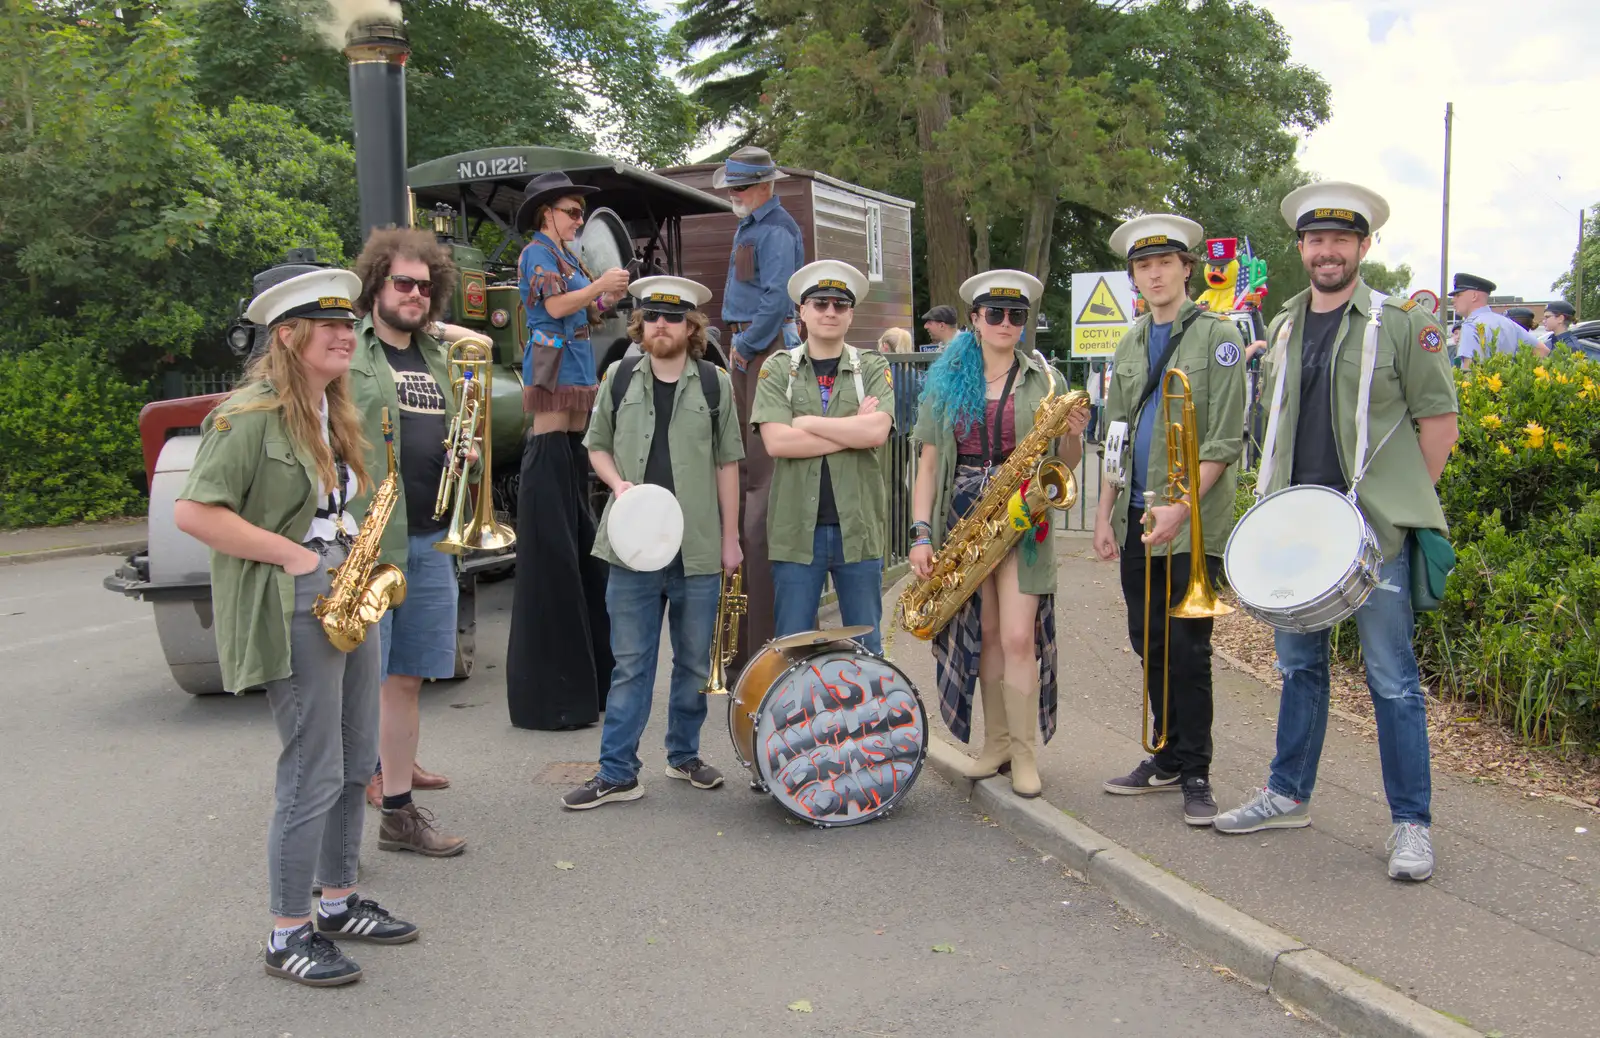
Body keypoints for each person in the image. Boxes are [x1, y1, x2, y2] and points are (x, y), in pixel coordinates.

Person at [174, 269, 418, 987]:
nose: (349, 335)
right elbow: (196, 512)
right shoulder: (246, 415)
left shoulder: (330, 410)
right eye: (331, 326)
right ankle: (287, 931)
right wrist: (293, 555)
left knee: (355, 757)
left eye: (350, 324)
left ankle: (337, 901)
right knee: (311, 768)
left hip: (346, 584)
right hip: (296, 593)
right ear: (288, 335)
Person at [1214, 182, 1459, 883]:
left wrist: (1400, 505)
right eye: (1316, 240)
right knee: (1298, 670)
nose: (1327, 251)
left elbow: (1437, 424)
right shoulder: (1287, 324)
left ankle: (1411, 825)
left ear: (1363, 247)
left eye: (1341, 239)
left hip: (1371, 534)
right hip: (1297, 530)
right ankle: (1288, 794)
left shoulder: (1401, 324)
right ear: (1300, 249)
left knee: (1392, 679)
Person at [562, 276, 745, 809]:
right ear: (639, 323)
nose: (661, 325)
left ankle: (683, 754)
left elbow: (727, 463)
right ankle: (618, 771)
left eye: (673, 317)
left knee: (692, 662)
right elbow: (596, 446)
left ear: (691, 326)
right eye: (651, 317)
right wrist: (617, 484)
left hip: (698, 549)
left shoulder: (715, 383)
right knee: (631, 663)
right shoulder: (618, 377)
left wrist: (730, 539)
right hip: (632, 549)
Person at [908, 270, 1090, 798]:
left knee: (1017, 636)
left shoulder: (1043, 379)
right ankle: (997, 745)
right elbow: (927, 465)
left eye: (1017, 316)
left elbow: (1065, 465)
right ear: (975, 320)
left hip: (1024, 516)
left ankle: (1026, 754)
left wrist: (1074, 438)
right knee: (985, 635)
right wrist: (922, 534)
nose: (1007, 324)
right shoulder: (946, 381)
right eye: (995, 314)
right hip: (964, 518)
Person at [1091, 214, 1247, 827]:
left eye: (1165, 263)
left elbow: (1226, 439)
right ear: (1134, 276)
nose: (1153, 274)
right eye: (1142, 266)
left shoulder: (1220, 335)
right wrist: (1104, 514)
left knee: (1188, 649)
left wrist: (1182, 508)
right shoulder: (1129, 342)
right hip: (1137, 514)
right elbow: (1116, 438)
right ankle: (1165, 755)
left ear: (1187, 268)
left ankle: (1197, 768)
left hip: (1192, 522)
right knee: (1147, 641)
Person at [348, 228, 469, 857]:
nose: (415, 294)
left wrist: (463, 450)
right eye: (403, 282)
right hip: (368, 545)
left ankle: (398, 812)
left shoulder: (439, 358)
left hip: (431, 538)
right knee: (354, 684)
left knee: (406, 680)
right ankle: (333, 842)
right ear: (376, 284)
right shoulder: (348, 350)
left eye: (425, 285)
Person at [506, 172, 630, 732]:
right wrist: (596, 285)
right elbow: (556, 309)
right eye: (572, 211)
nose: (580, 219)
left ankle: (570, 503)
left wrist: (607, 294)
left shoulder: (563, 253)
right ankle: (552, 504)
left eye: (582, 212)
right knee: (552, 449)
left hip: (576, 363)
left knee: (573, 456)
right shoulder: (538, 253)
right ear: (546, 213)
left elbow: (585, 308)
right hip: (555, 361)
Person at [754, 261, 894, 654]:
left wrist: (807, 422)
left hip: (859, 530)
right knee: (792, 651)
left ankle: (867, 718)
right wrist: (852, 434)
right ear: (802, 311)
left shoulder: (871, 366)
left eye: (839, 304)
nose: (829, 312)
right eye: (820, 303)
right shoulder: (780, 369)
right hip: (796, 531)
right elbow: (777, 443)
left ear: (851, 314)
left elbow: (877, 432)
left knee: (866, 649)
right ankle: (797, 720)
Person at [717, 147, 805, 676]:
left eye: (743, 188)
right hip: (752, 347)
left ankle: (757, 645)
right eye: (732, 188)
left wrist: (746, 346)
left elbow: (776, 297)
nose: (735, 196)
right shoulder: (756, 222)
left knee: (760, 480)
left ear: (767, 186)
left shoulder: (775, 230)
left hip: (761, 348)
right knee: (748, 472)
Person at [1450, 272, 1546, 368]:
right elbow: (1542, 351)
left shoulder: (1471, 325)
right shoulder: (1508, 323)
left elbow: (1469, 368)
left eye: (1458, 295)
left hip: (1482, 382)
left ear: (1474, 296)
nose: (1453, 300)